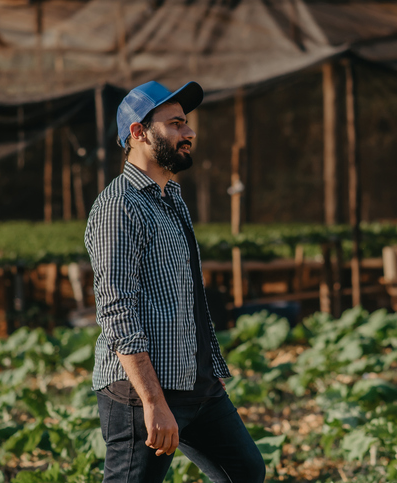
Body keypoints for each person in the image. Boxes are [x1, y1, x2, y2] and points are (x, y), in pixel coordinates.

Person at [85, 80, 265, 483]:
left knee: (246, 472)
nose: (189, 132)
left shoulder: (171, 197)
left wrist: (207, 363)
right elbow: (117, 311)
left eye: (187, 123)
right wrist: (152, 401)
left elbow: (183, 295)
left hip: (196, 383)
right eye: (176, 124)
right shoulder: (119, 207)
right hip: (142, 394)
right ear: (138, 133)